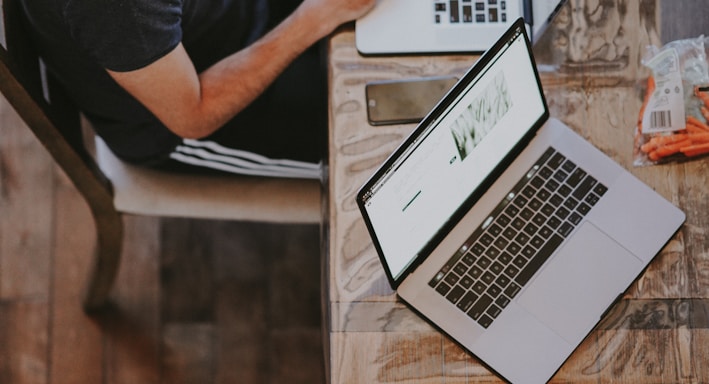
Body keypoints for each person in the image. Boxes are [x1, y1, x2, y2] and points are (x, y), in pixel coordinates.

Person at [19, 0, 376, 178]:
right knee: (378, 144)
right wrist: (315, 18)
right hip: (187, 118)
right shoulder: (114, 8)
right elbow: (195, 116)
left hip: (224, 23)